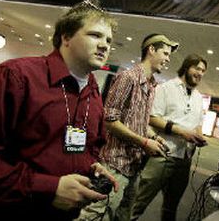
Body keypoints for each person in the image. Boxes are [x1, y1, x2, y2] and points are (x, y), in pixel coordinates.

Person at [0, 0, 119, 220]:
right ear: (66, 37)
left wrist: (90, 167)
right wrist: (48, 186)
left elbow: (89, 147)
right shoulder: (17, 77)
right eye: (95, 35)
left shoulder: (93, 93)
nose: (104, 45)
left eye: (109, 40)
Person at [77, 33, 179, 221]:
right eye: (165, 53)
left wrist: (154, 138)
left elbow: (140, 123)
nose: (167, 59)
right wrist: (144, 142)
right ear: (151, 50)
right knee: (95, 215)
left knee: (123, 216)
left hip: (134, 167)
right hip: (114, 164)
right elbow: (109, 120)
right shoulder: (128, 78)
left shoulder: (151, 86)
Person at [131, 54, 208, 221]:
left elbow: (198, 124)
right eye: (197, 68)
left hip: (184, 161)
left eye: (203, 71)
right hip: (162, 155)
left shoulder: (199, 98)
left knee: (170, 209)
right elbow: (151, 118)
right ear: (187, 67)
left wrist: (199, 137)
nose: (200, 73)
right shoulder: (166, 88)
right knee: (137, 204)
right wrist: (181, 131)